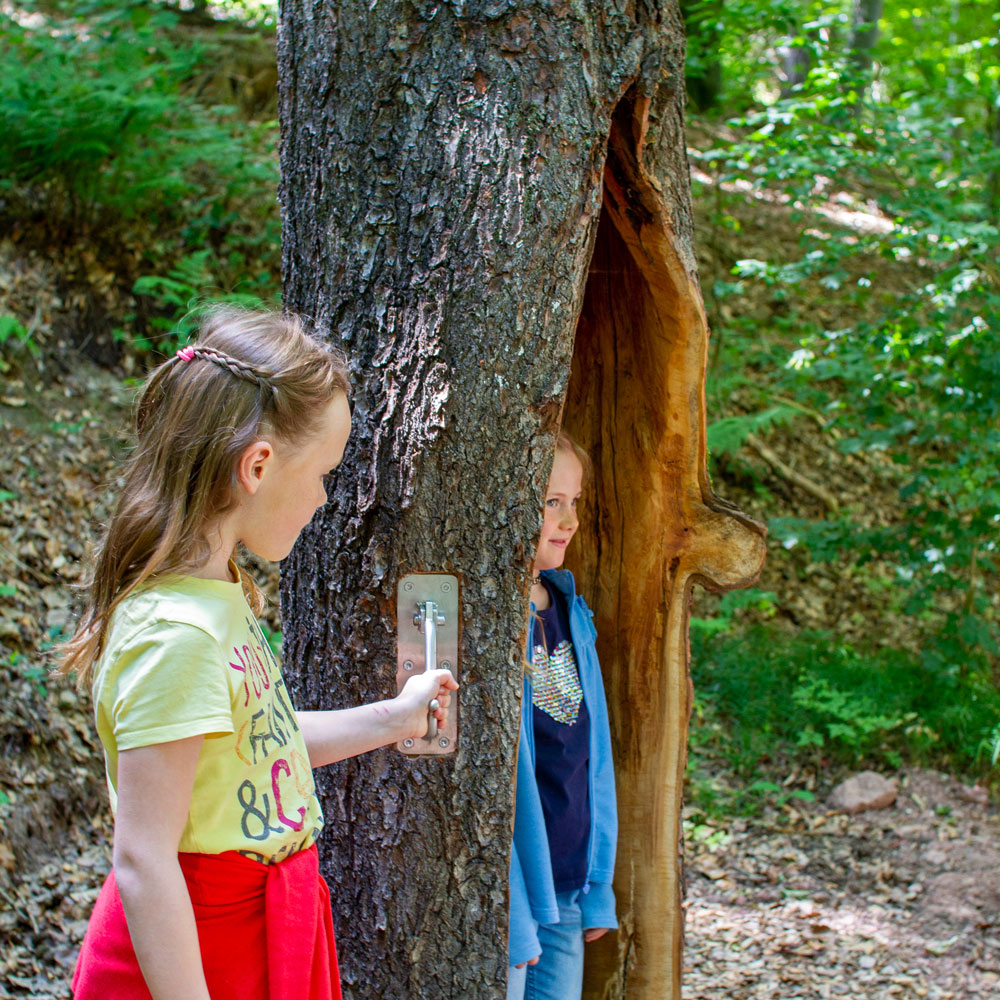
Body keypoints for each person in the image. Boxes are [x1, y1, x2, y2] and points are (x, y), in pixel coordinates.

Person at [59, 307, 457, 1000]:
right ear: (259, 465)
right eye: (323, 473)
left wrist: (396, 718)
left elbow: (252, 745)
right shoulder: (177, 633)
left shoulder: (218, 597)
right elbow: (144, 860)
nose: (323, 498)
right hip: (199, 955)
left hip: (258, 936)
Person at [507, 433, 618, 1000]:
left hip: (570, 884)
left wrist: (598, 886)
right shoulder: (496, 617)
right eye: (552, 501)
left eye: (574, 501)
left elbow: (591, 760)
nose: (569, 519)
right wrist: (516, 908)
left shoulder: (569, 610)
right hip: (517, 891)